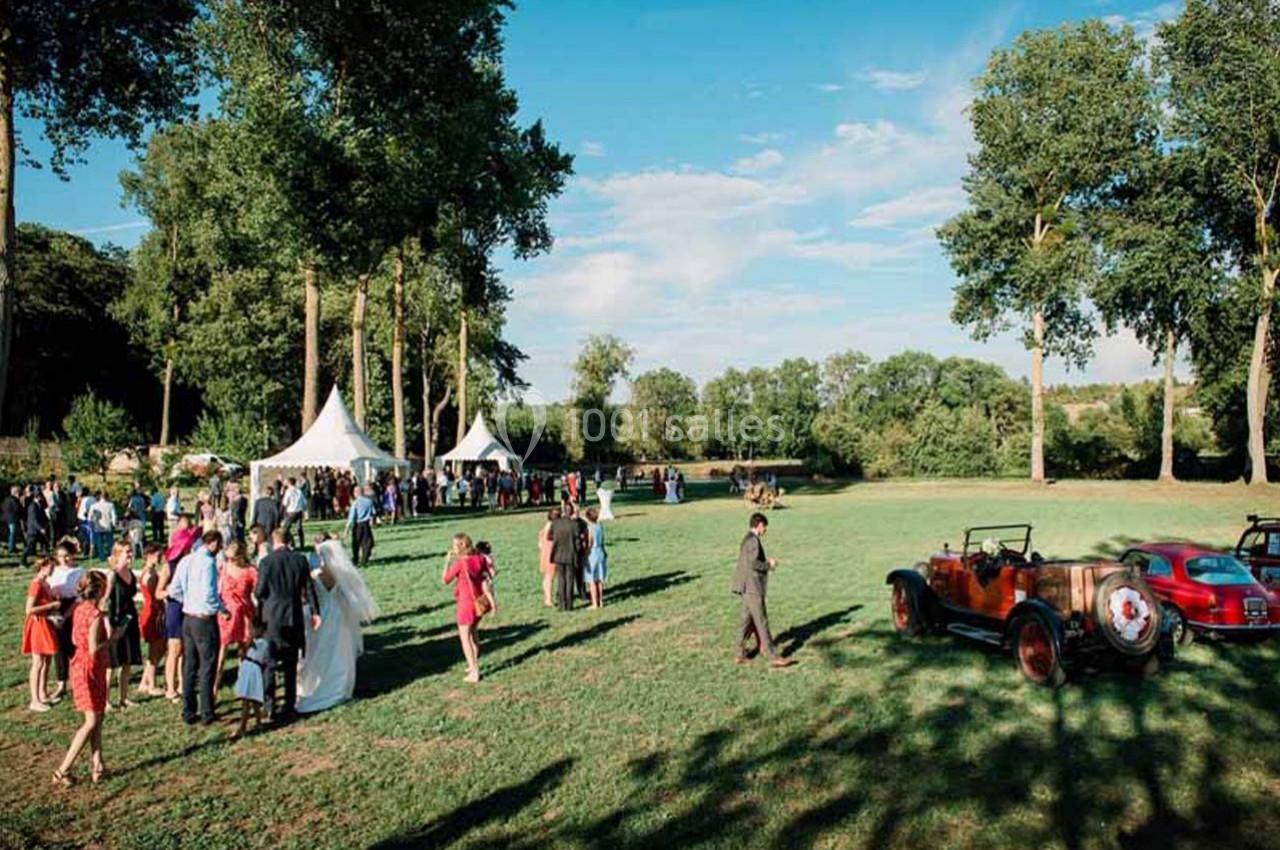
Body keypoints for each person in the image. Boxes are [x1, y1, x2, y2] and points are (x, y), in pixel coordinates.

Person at [297, 536, 379, 713]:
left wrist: (312, 576)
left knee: (327, 649)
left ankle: (330, 687)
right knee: (340, 650)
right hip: (337, 612)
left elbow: (322, 586)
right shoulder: (339, 572)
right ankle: (342, 685)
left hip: (328, 612)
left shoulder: (325, 573)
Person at [53, 571, 112, 786]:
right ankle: (62, 769)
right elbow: (95, 647)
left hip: (80, 664)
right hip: (89, 668)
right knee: (91, 721)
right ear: (99, 590)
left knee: (98, 717)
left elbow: (73, 637)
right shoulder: (95, 615)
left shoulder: (79, 609)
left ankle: (98, 765)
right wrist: (113, 638)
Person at [255, 529, 321, 722]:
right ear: (288, 540)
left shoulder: (267, 562)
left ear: (274, 541)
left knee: (270, 663)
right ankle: (290, 704)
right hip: (294, 614)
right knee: (291, 663)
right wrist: (316, 612)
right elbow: (308, 588)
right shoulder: (300, 560)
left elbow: (259, 591)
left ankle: (270, 705)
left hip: (272, 617)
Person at [171, 531, 229, 725]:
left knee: (190, 665)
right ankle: (207, 711)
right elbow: (210, 594)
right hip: (204, 619)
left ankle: (188, 710)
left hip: (188, 617)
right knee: (207, 666)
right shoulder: (208, 563)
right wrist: (221, 609)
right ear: (213, 543)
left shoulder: (186, 560)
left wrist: (188, 601)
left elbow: (174, 590)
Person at [731, 513, 795, 668]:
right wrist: (769, 565)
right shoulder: (753, 540)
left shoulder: (747, 538)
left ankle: (739, 654)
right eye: (765, 526)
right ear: (759, 524)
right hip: (753, 588)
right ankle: (772, 656)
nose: (765, 529)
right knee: (761, 621)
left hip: (746, 587)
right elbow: (754, 563)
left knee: (745, 622)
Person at [443, 533, 496, 684]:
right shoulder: (479, 558)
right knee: (474, 633)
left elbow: (445, 579)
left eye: (454, 545)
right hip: (479, 603)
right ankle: (474, 663)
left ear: (460, 547)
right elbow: (487, 577)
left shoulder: (460, 563)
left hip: (465, 604)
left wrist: (447, 562)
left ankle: (474, 670)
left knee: (465, 639)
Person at [213, 541, 258, 699]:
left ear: (241, 556)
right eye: (228, 557)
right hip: (227, 614)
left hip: (245, 613)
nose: (230, 560)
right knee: (222, 651)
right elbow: (216, 589)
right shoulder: (224, 568)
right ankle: (215, 687)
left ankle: (243, 684)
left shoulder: (250, 571)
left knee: (244, 651)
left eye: (233, 558)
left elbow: (258, 591)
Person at [105, 541, 142, 708]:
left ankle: (123, 697)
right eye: (127, 551)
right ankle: (105, 701)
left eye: (131, 551)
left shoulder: (131, 573)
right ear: (118, 553)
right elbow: (104, 601)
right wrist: (108, 625)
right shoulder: (112, 575)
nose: (130, 554)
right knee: (112, 663)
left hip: (130, 620)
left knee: (127, 660)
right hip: (115, 621)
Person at [46, 541, 84, 703]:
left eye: (67, 556)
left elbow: (80, 596)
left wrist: (67, 615)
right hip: (56, 607)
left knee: (74, 646)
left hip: (74, 608)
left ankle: (78, 680)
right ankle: (61, 683)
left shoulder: (80, 571)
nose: (64, 560)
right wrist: (55, 613)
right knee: (59, 648)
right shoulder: (54, 572)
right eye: (61, 557)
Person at [22, 557, 60, 711]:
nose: (53, 570)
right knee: (38, 662)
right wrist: (51, 605)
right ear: (43, 566)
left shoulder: (46, 584)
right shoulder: (36, 585)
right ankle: (34, 699)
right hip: (38, 626)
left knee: (47, 661)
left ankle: (43, 694)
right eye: (51, 567)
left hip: (46, 623)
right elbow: (29, 609)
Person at [231, 621, 271, 740]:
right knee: (252, 700)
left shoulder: (256, 643)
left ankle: (242, 726)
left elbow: (243, 653)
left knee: (247, 701)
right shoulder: (262, 643)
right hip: (252, 669)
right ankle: (258, 723)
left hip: (250, 670)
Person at [137, 544, 167, 696]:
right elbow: (155, 594)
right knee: (156, 650)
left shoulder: (148, 571)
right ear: (150, 555)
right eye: (158, 555)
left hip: (152, 610)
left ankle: (144, 681)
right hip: (153, 612)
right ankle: (152, 685)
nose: (160, 557)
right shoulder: (150, 574)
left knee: (155, 650)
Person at [548, 508, 581, 612]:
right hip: (570, 554)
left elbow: (549, 536)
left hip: (558, 554)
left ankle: (562, 605)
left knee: (561, 580)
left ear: (563, 512)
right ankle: (569, 605)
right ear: (571, 513)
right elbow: (577, 540)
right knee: (570, 580)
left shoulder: (556, 523)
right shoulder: (574, 525)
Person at [346, 486, 376, 567]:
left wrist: (347, 529)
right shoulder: (369, 501)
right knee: (366, 543)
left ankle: (355, 559)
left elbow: (351, 517)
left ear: (356, 493)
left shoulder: (355, 503)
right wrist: (373, 522)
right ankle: (364, 560)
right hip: (366, 524)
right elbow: (373, 513)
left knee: (356, 543)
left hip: (357, 525)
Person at [584, 507, 608, 609]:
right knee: (599, 579)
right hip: (601, 552)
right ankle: (601, 601)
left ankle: (594, 603)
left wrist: (585, 553)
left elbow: (590, 542)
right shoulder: (600, 526)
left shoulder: (590, 528)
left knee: (592, 580)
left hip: (592, 554)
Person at [538, 508, 556, 608]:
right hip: (550, 554)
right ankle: (548, 600)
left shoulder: (544, 528)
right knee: (549, 577)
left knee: (547, 577)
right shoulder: (551, 528)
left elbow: (540, 544)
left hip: (545, 553)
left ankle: (547, 598)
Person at [281, 478, 306, 547]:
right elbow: (304, 502)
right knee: (299, 529)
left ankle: (291, 542)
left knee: (285, 528)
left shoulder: (288, 491)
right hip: (299, 512)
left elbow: (285, 503)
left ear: (289, 483)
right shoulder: (299, 491)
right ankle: (302, 544)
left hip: (291, 512)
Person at [3, 484, 22, 554]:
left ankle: (12, 546)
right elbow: (17, 509)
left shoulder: (7, 499)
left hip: (8, 518)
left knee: (12, 533)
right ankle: (11, 548)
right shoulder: (14, 500)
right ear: (15, 492)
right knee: (13, 533)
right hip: (12, 519)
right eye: (19, 492)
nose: (20, 493)